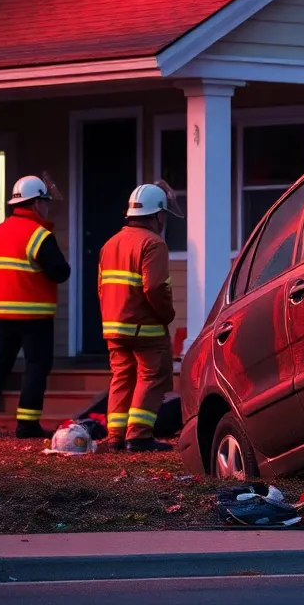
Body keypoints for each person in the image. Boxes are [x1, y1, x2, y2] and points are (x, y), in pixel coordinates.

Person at [0, 176, 70, 438]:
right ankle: (27, 424)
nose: (47, 208)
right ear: (36, 204)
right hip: (34, 316)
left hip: (1, 315)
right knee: (36, 365)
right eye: (45, 203)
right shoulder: (40, 236)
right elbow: (61, 272)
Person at [98, 183, 180, 452]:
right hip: (145, 328)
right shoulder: (153, 243)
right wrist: (166, 315)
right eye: (164, 215)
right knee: (152, 376)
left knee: (121, 377)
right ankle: (139, 436)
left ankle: (115, 437)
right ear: (157, 215)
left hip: (113, 327)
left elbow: (102, 288)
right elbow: (155, 287)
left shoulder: (109, 244)